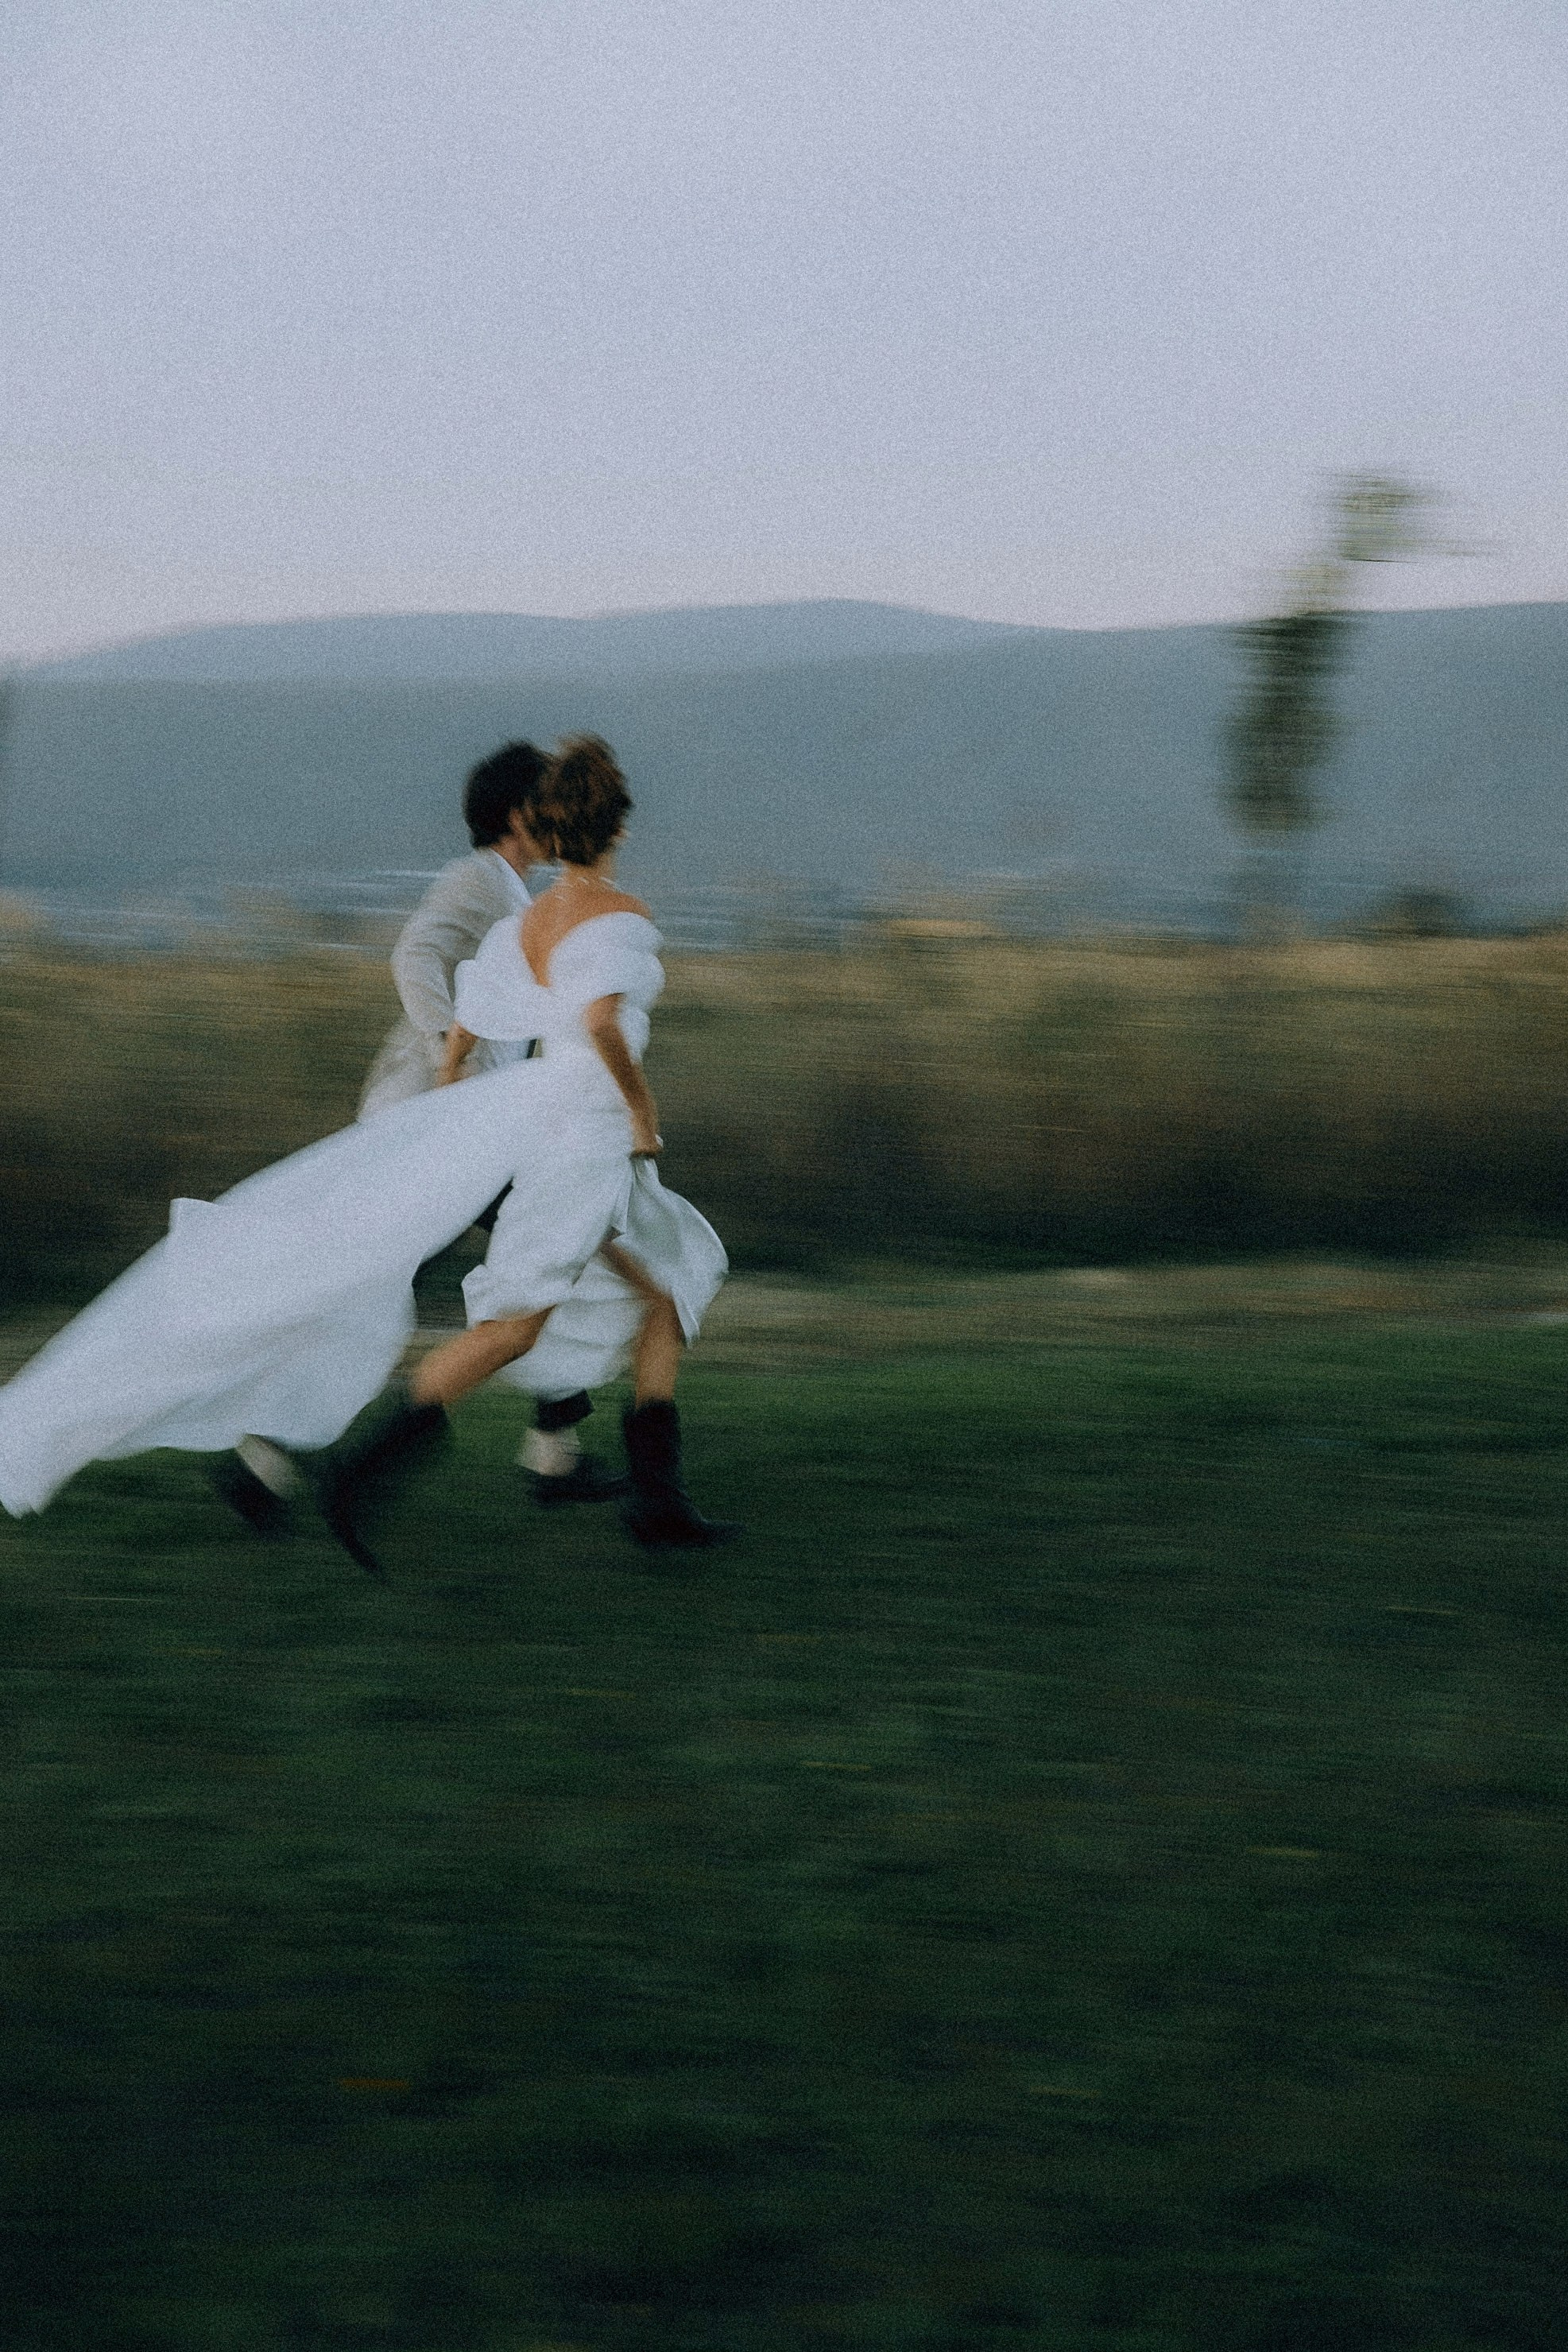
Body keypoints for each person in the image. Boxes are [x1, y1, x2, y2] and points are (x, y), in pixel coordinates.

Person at [0, 737, 734, 1568]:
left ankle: (591, 1474)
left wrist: (469, 1082)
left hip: (518, 1125)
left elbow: (483, 1011)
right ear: (579, 823)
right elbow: (482, 984)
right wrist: (506, 1098)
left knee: (600, 1285)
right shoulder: (542, 897)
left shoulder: (526, 909)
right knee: (471, 1306)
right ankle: (330, 1465)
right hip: (521, 1128)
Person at [319, 734, 736, 1570]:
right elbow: (601, 1024)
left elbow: (474, 1009)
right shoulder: (621, 918)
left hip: (562, 1132)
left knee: (664, 1293)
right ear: (614, 830)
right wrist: (642, 1111)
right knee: (514, 1330)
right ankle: (358, 1473)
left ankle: (659, 1504)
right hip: (587, 1142)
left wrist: (448, 1079)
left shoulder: (530, 922)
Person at [217, 740, 618, 1536]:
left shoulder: (517, 895)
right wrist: (453, 1054)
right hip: (430, 1123)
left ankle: (263, 1458)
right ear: (515, 816)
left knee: (431, 1275)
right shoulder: (475, 881)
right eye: (549, 803)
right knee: (542, 1252)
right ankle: (547, 1452)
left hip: (468, 1130)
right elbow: (414, 955)